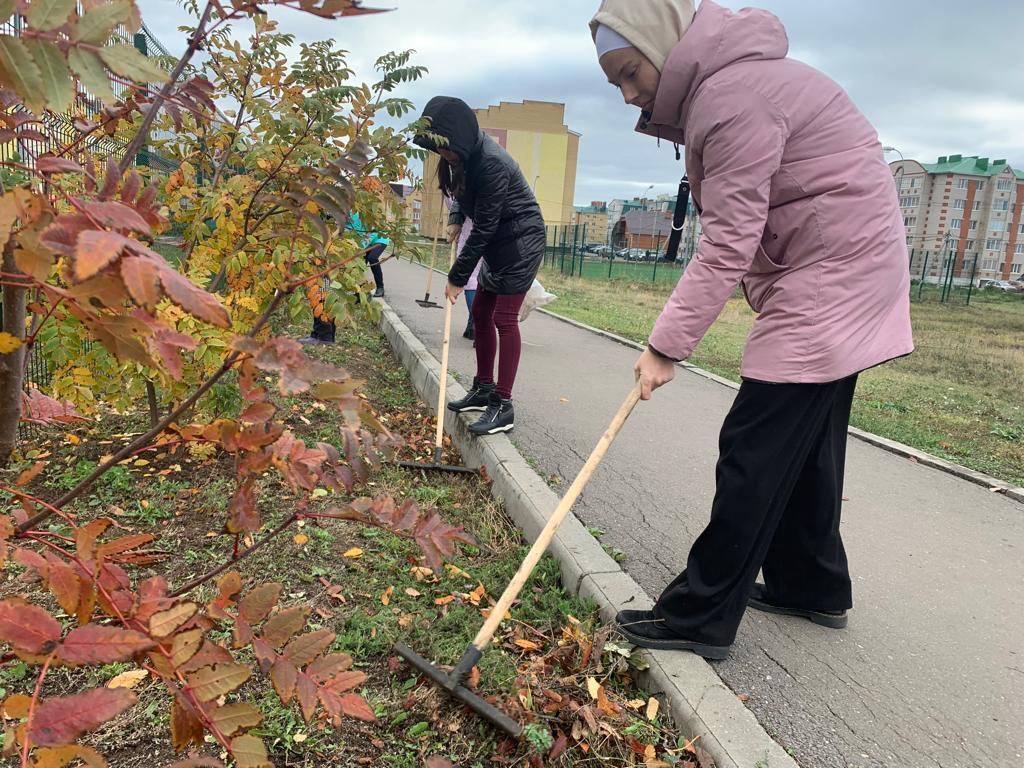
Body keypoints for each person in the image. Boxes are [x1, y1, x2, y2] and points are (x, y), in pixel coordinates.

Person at [591, 0, 913, 659]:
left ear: (666, 45)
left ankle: (697, 617)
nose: (629, 96)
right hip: (845, 270)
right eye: (616, 84)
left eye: (631, 73)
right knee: (805, 448)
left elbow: (729, 241)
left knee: (754, 446)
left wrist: (663, 346)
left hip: (834, 277)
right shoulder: (734, 83)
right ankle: (811, 585)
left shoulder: (731, 96)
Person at [414, 96, 546, 435]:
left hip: (521, 243)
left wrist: (457, 277)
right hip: (498, 242)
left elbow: (486, 226)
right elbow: (458, 195)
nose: (443, 157)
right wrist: (457, 217)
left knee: (503, 318)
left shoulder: (491, 163)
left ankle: (504, 405)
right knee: (481, 315)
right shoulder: (460, 157)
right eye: (438, 151)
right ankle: (484, 388)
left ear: (458, 137)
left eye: (445, 150)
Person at [301, 210, 388, 345]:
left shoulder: (355, 215)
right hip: (328, 257)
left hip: (333, 259)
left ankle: (324, 335)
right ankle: (321, 334)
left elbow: (357, 240)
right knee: (322, 291)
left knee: (324, 291)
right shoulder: (331, 215)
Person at [444, 197, 481, 342]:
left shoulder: (462, 181)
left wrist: (445, 194)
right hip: (492, 233)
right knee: (482, 279)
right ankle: (474, 323)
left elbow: (453, 203)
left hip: (471, 233)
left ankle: (477, 323)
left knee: (471, 278)